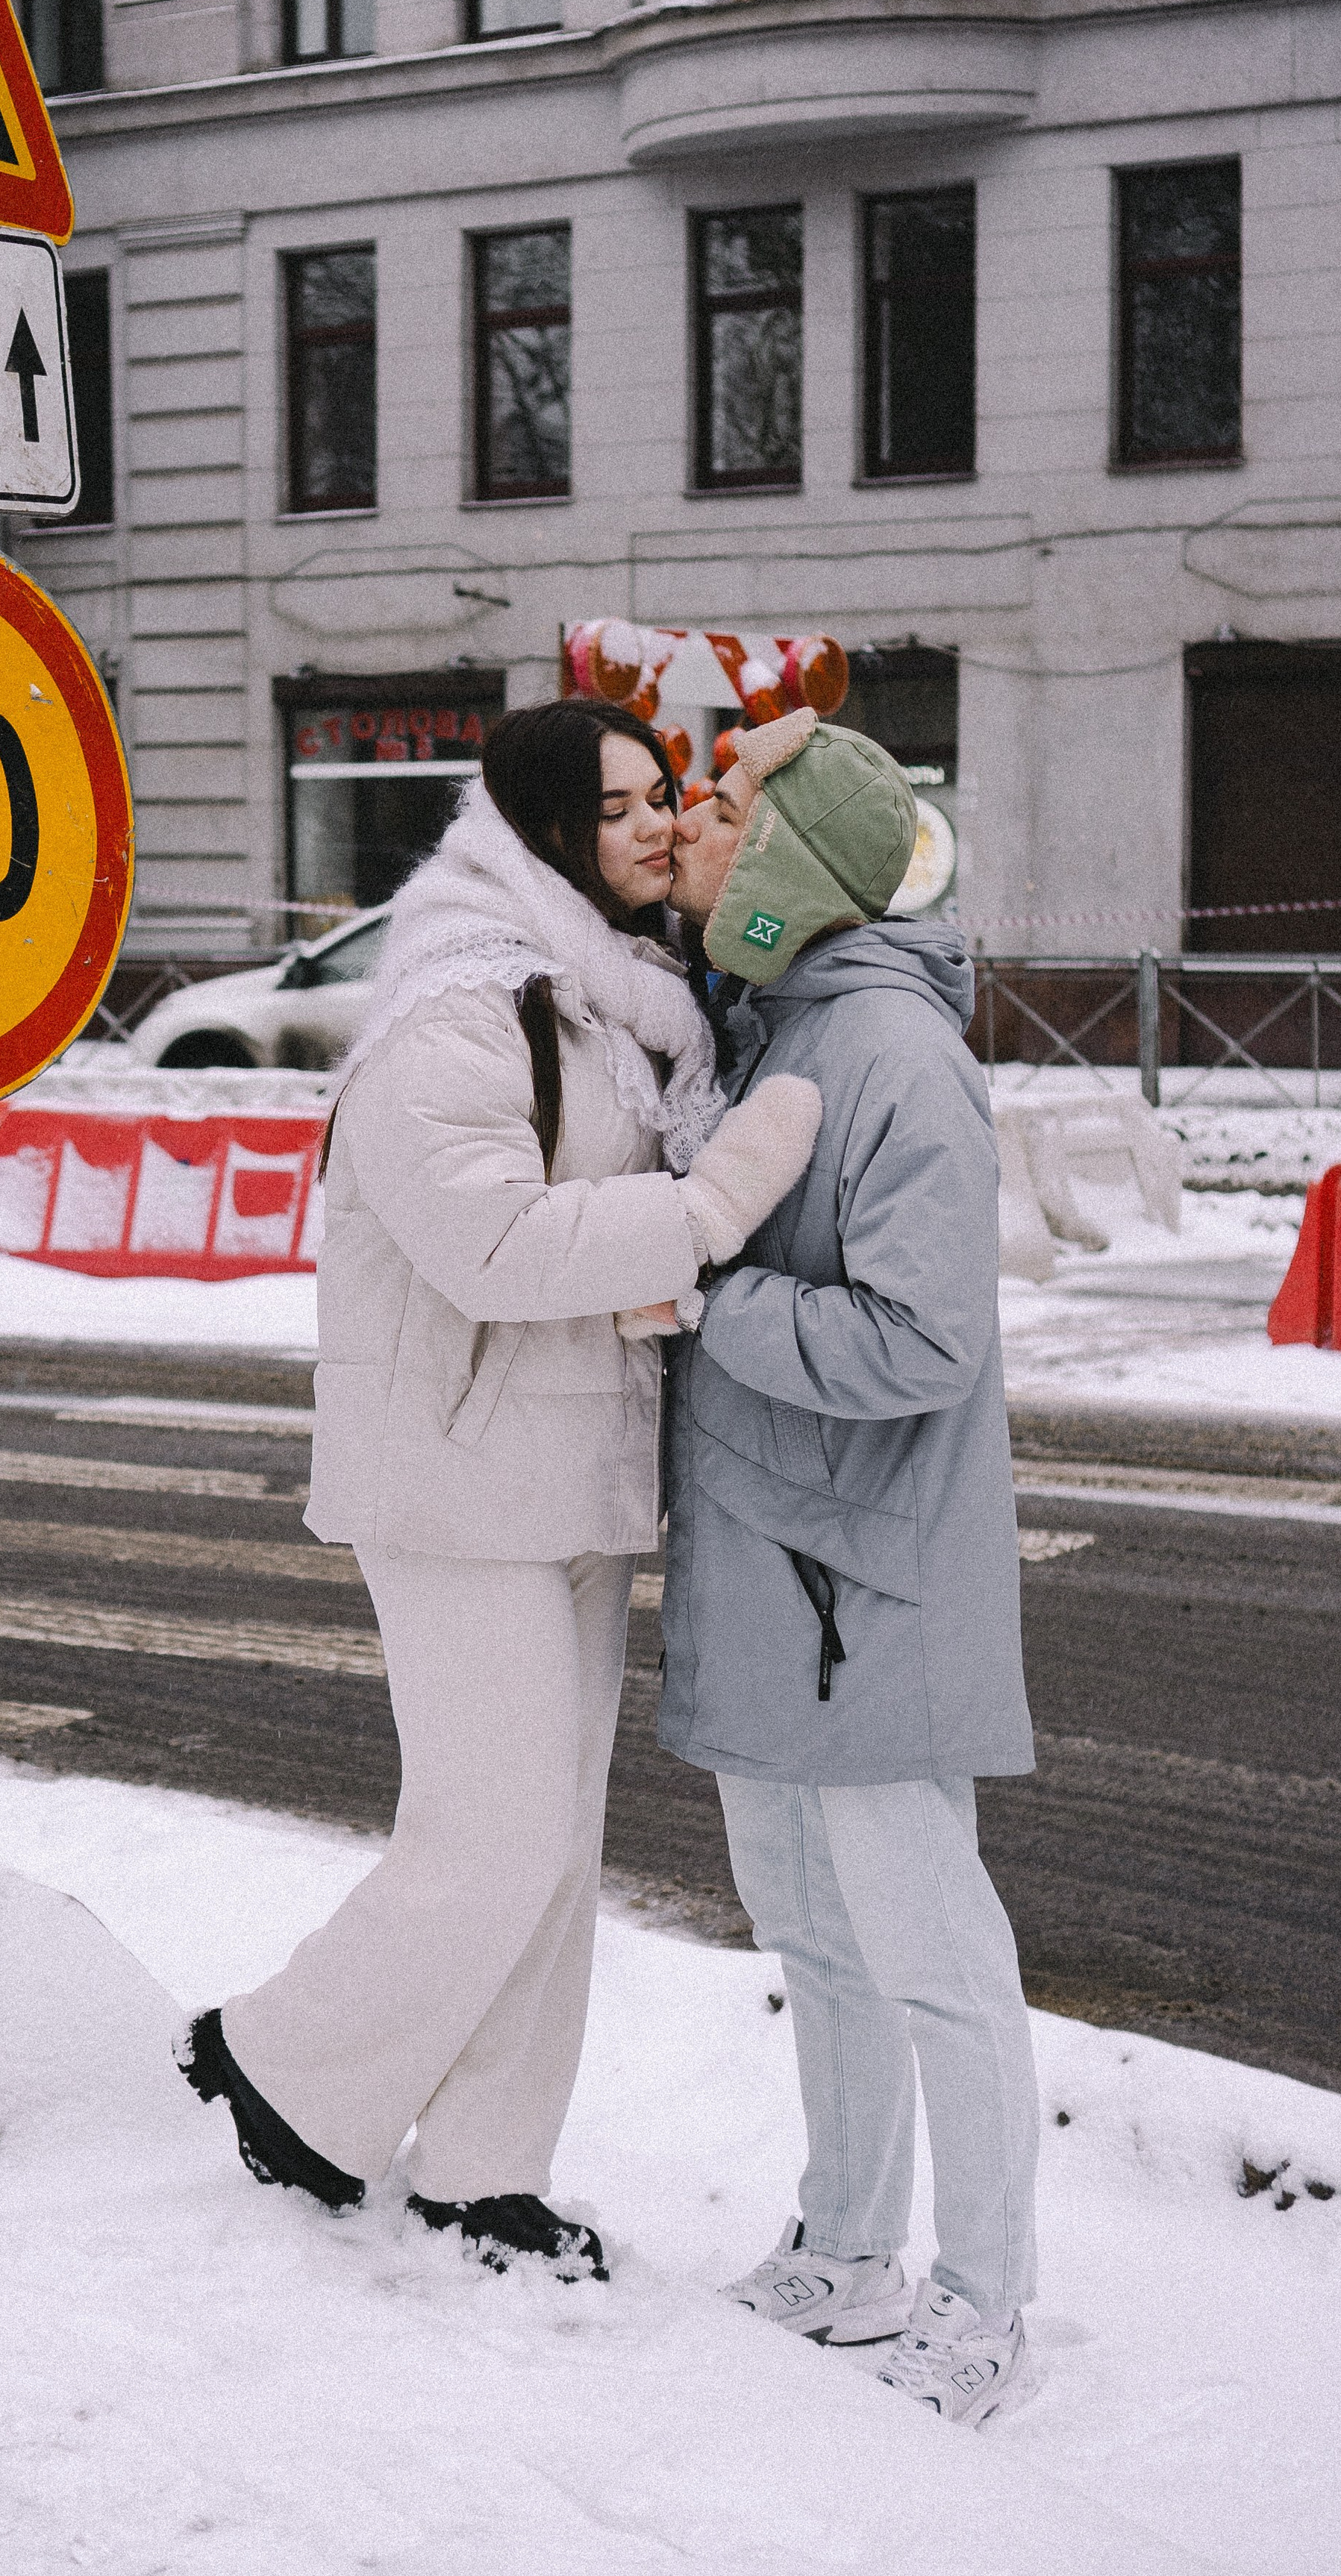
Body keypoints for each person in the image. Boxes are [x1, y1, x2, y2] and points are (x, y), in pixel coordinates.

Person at [178, 698, 823, 2280]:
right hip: (456, 1478)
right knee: (494, 1836)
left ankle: (484, 2170)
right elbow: (490, 1247)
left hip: (576, 1473)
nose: (657, 824)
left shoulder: (625, 997)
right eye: (615, 809)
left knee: (553, 1844)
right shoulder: (457, 1010)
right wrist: (705, 1210)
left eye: (660, 793)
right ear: (540, 830)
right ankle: (284, 2064)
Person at [656, 706, 1042, 2425]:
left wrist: (707, 1301)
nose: (697, 820)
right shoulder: (765, 1025)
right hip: (772, 1564)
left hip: (864, 1584)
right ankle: (843, 2247)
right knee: (811, 1940)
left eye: (729, 804)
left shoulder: (884, 1051)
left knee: (930, 1958)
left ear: (798, 855)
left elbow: (923, 1340)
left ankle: (982, 2301)